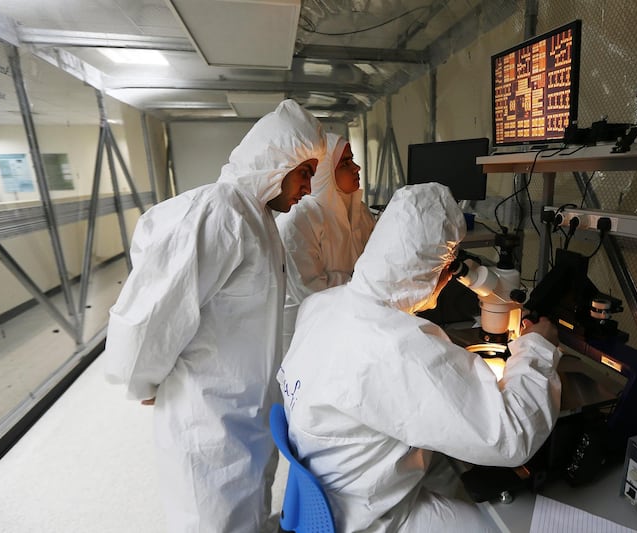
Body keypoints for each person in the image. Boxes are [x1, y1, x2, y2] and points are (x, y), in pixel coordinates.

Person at [277, 182, 562, 532]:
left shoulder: (322, 304)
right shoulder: (395, 345)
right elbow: (510, 435)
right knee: (498, 526)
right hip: (369, 517)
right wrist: (537, 347)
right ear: (433, 269)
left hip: (331, 483)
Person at [103, 99, 326, 533]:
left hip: (242, 409)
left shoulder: (257, 216)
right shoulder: (220, 212)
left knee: (246, 510)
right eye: (304, 172)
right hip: (205, 416)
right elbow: (152, 314)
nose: (308, 186)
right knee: (212, 518)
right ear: (275, 164)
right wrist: (140, 380)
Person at [275, 132, 376, 351]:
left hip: (354, 323)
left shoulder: (361, 212)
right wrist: (365, 285)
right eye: (346, 163)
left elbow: (378, 265)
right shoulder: (299, 219)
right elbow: (311, 292)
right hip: (308, 333)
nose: (357, 168)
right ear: (325, 171)